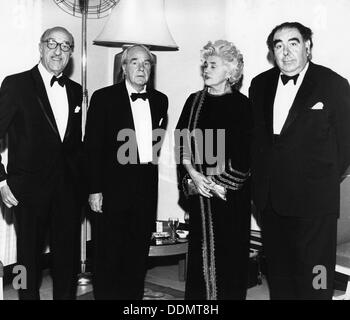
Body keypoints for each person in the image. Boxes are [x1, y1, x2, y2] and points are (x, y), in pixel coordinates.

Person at [249, 22, 350, 300]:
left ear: (308, 46)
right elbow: (257, 142)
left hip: (314, 201)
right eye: (278, 45)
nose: (286, 52)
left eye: (293, 43)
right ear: (272, 52)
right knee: (280, 273)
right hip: (270, 200)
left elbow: (346, 145)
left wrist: (320, 179)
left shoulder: (333, 84)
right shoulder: (259, 85)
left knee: (316, 273)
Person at [0, 27, 83, 299]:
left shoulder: (77, 91)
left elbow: (73, 145)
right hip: (28, 191)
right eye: (52, 44)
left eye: (65, 46)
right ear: (40, 47)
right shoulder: (17, 84)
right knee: (27, 263)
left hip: (68, 191)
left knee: (67, 261)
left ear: (70, 54)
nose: (58, 51)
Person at [85, 44, 168, 300]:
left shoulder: (160, 100)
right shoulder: (103, 97)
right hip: (111, 188)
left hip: (145, 187)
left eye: (146, 63)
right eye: (134, 62)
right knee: (108, 256)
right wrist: (94, 189)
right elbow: (92, 147)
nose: (141, 67)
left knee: (137, 255)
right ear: (123, 67)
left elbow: (153, 146)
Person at [175, 40, 252, 300]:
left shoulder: (242, 106)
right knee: (199, 258)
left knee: (228, 260)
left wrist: (214, 183)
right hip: (199, 195)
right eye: (205, 65)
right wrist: (193, 177)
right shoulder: (193, 101)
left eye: (213, 65)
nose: (206, 69)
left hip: (229, 198)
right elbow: (181, 141)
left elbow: (244, 158)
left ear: (230, 71)